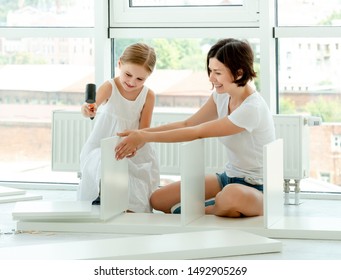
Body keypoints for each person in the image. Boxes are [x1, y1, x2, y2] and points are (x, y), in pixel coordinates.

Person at [115, 38, 275, 218]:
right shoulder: (222, 96)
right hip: (228, 178)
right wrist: (140, 133)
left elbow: (197, 133)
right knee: (158, 199)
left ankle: (209, 209)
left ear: (239, 73)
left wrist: (144, 138)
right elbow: (188, 124)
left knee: (231, 196)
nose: (211, 78)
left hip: (256, 187)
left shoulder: (251, 109)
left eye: (217, 72)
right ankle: (217, 206)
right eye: (210, 70)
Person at [77, 42, 160, 213]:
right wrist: (87, 109)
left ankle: (127, 208)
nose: (131, 82)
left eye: (140, 79)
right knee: (104, 160)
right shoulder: (110, 87)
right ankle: (102, 193)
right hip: (103, 144)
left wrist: (134, 146)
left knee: (134, 188)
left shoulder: (148, 96)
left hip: (133, 147)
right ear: (120, 64)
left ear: (149, 76)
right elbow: (92, 108)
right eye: (128, 74)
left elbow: (144, 131)